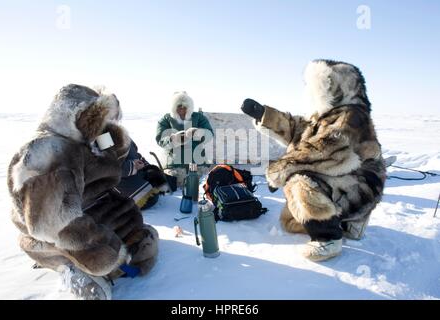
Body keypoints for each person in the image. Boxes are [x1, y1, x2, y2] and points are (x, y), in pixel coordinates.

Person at [7, 84, 159, 299]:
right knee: (104, 266)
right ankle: (67, 267)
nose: (106, 125)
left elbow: (114, 164)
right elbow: (54, 223)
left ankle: (103, 262)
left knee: (144, 248)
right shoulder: (47, 151)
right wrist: (103, 252)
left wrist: (114, 139)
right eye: (100, 118)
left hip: (92, 211)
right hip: (56, 231)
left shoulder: (89, 140)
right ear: (81, 115)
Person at [241, 59, 386, 262]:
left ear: (334, 87)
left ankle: (328, 238)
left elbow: (322, 151)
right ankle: (347, 225)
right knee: (291, 219)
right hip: (343, 181)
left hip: (359, 188)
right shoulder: (326, 116)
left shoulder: (353, 118)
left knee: (301, 183)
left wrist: (281, 170)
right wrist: (267, 116)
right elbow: (299, 129)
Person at [156, 91, 214, 187]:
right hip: (174, 165)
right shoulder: (166, 119)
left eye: (185, 106)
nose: (182, 109)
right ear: (173, 107)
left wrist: (197, 133)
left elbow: (209, 135)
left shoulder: (198, 117)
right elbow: (161, 140)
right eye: (179, 106)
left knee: (199, 187)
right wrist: (175, 139)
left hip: (198, 164)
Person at [115, 139, 169, 210]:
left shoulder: (121, 134)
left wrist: (152, 170)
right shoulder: (101, 139)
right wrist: (132, 166)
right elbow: (108, 168)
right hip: (133, 196)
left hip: (148, 192)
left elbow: (136, 156)